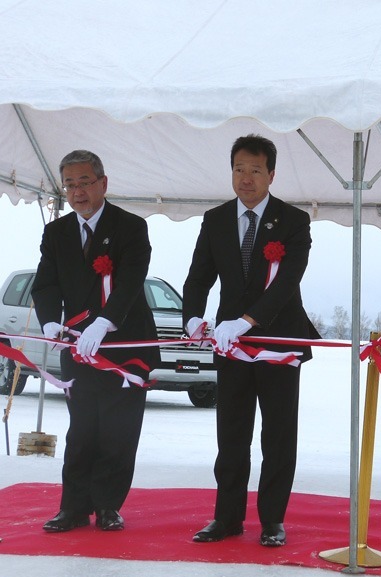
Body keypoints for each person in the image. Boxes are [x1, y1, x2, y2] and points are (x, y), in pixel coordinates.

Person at [183, 134, 318, 547]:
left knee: (278, 436)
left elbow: (287, 282)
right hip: (230, 346)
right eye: (239, 168)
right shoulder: (216, 219)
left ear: (271, 174)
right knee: (232, 435)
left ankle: (272, 520)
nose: (246, 178)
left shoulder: (293, 221)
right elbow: (199, 276)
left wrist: (247, 321)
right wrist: (192, 316)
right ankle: (226, 519)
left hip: (278, 340)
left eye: (255, 169)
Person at [31, 150, 159, 533]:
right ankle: (72, 508)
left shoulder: (130, 227)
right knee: (83, 428)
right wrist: (51, 321)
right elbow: (46, 282)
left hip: (125, 347)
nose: (77, 191)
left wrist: (104, 323)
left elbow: (132, 280)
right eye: (69, 184)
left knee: (118, 430)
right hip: (77, 348)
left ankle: (107, 506)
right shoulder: (57, 232)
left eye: (85, 182)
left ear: (103, 183)